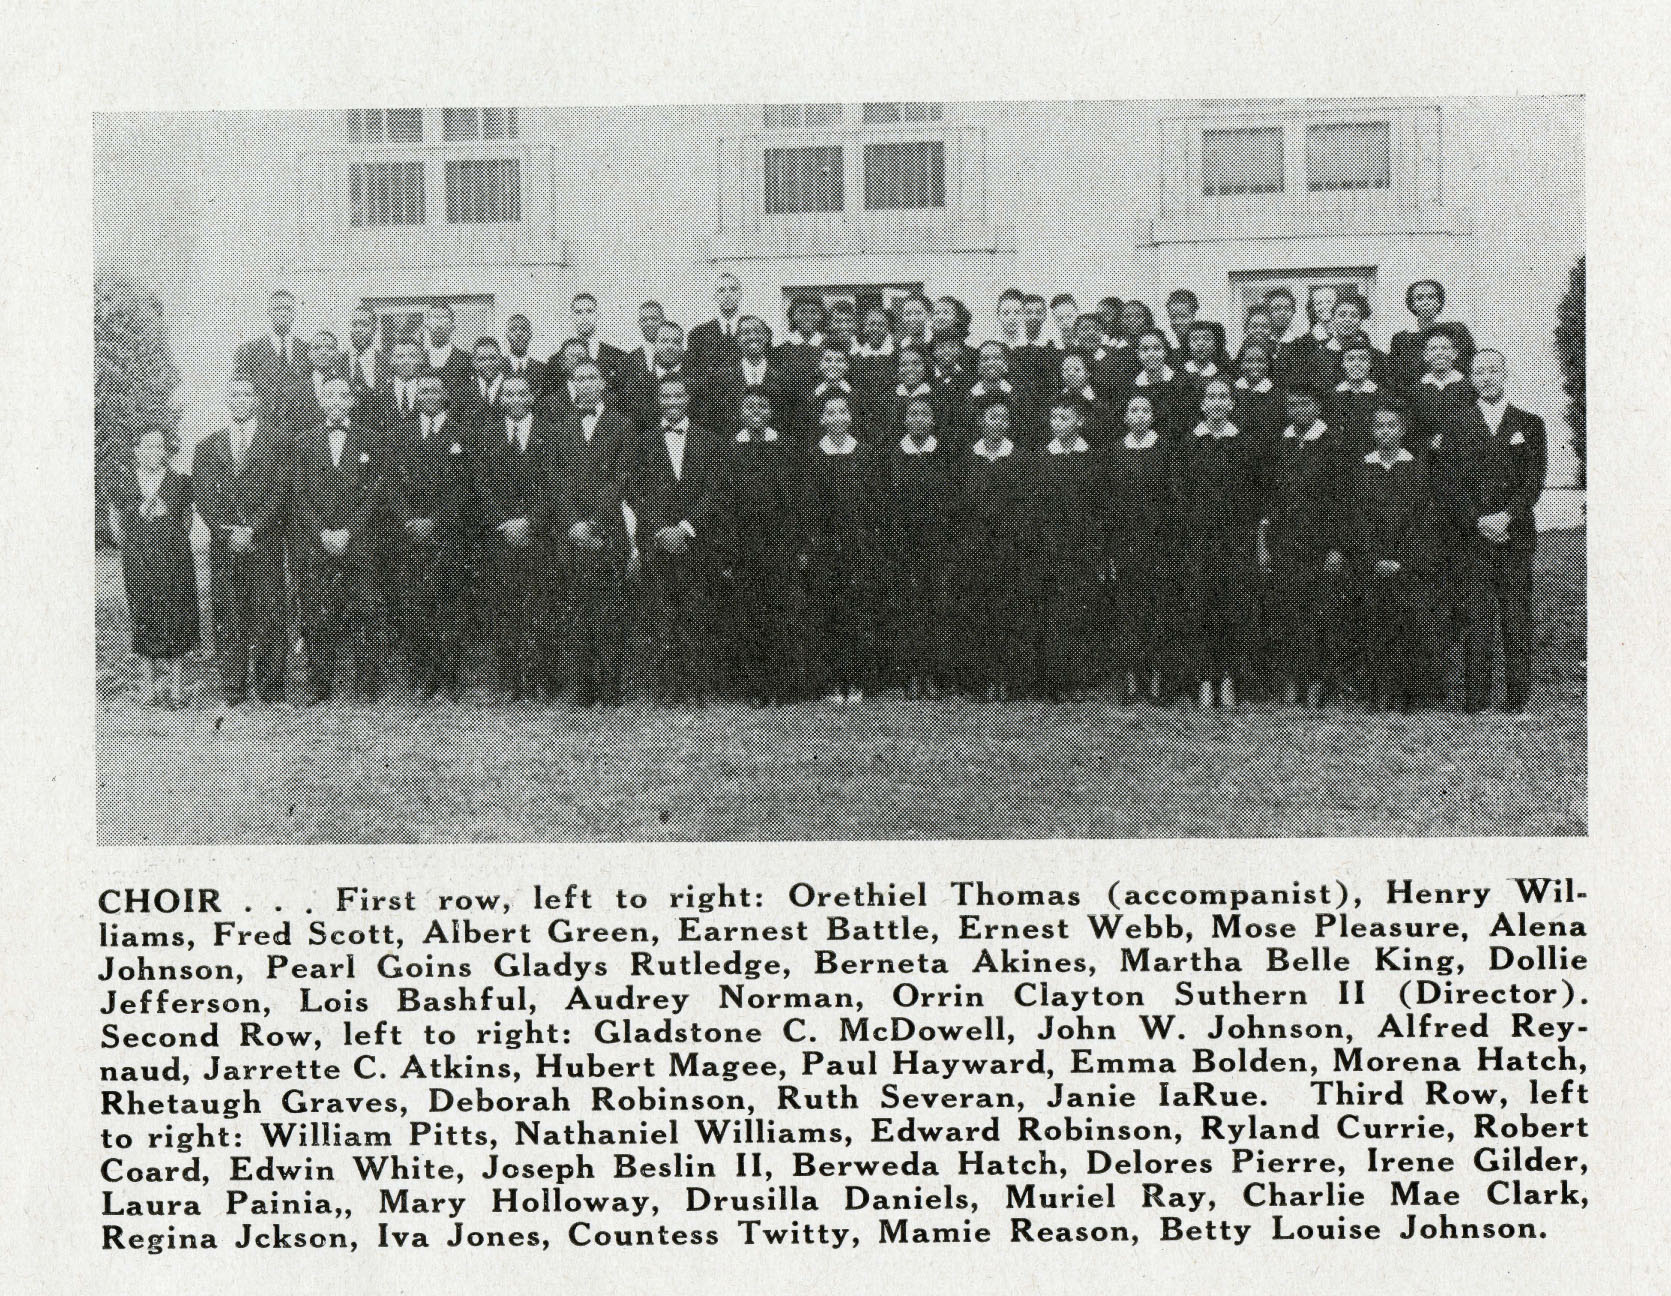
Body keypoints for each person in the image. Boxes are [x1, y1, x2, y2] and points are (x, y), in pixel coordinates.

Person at [1431, 350, 1547, 712]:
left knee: (1516, 616)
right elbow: (1448, 482)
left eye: (1492, 371)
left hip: (1514, 535)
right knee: (1476, 617)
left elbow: (1534, 478)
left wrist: (1507, 517)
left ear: (1505, 372)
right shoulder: (1457, 422)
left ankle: (1516, 700)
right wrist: (1478, 520)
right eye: (1479, 372)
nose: (1486, 378)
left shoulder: (1529, 423)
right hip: (1473, 538)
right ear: (1471, 377)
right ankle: (1476, 700)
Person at [191, 376, 292, 705]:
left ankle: (270, 687)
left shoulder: (277, 441)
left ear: (257, 400)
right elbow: (203, 498)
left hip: (264, 543)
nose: (240, 400)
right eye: (233, 395)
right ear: (227, 401)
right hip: (225, 546)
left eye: (246, 394)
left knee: (269, 611)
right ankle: (233, 687)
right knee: (229, 613)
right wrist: (227, 531)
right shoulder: (208, 446)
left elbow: (281, 493)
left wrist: (254, 529)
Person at [629, 374, 725, 705]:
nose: (673, 402)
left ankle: (696, 687)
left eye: (678, 396)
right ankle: (668, 688)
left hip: (695, 541)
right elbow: (637, 492)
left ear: (688, 399)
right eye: (666, 397)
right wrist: (660, 530)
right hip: (658, 543)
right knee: (662, 613)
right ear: (659, 401)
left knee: (695, 613)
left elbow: (714, 491)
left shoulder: (709, 441)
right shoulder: (644, 442)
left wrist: (684, 528)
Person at [292, 375, 386, 703]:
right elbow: (299, 494)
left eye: (342, 395)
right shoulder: (303, 442)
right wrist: (322, 532)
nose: (336, 400)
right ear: (321, 401)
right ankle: (319, 685)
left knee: (366, 610)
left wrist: (348, 531)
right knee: (318, 612)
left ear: (351, 401)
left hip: (357, 541)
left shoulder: (371, 440)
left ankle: (367, 683)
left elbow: (375, 492)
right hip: (318, 543)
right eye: (329, 395)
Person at [1177, 377, 1264, 708]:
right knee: (1199, 608)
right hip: (1198, 540)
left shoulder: (1244, 444)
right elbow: (1179, 494)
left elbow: (1256, 492)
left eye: (1223, 397)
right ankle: (1202, 679)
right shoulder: (1189, 444)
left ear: (1231, 403)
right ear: (1202, 405)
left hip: (1235, 540)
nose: (1216, 402)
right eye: (1210, 397)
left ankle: (1228, 677)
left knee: (1232, 609)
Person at [387, 374, 474, 701]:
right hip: (410, 535)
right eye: (422, 391)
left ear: (445, 394)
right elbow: (390, 484)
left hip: (448, 534)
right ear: (414, 394)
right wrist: (409, 519)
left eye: (435, 390)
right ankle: (423, 676)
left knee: (449, 607)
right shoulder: (401, 431)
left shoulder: (461, 432)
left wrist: (435, 521)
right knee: (415, 607)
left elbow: (465, 486)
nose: (429, 396)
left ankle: (449, 677)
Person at [1261, 385, 1347, 708]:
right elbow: (1272, 497)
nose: (1297, 410)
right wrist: (1266, 543)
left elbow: (1343, 501)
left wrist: (1337, 547)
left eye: (1305, 404)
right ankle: (1292, 680)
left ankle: (1317, 681)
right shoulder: (1282, 443)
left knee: (1318, 613)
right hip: (1286, 543)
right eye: (1292, 404)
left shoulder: (1332, 445)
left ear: (1317, 407)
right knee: (1287, 611)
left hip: (1320, 545)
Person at [553, 360, 633, 706]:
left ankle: (611, 689)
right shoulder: (559, 429)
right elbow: (556, 481)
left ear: (603, 384)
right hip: (573, 533)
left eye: (592, 379)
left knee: (610, 610)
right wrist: (573, 523)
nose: (585, 385)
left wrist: (596, 523)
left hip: (607, 531)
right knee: (579, 611)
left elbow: (622, 478)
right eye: (579, 379)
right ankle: (584, 690)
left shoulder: (621, 425)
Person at [475, 373, 558, 703]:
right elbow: (482, 487)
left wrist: (530, 522)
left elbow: (556, 484)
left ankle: (541, 679)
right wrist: (505, 523)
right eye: (508, 394)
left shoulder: (551, 434)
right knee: (506, 609)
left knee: (541, 607)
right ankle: (511, 681)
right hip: (503, 537)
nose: (514, 400)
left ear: (532, 396)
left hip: (539, 536)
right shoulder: (489, 435)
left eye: (521, 393)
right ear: (502, 399)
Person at [1352, 401, 1439, 711]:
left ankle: (1406, 694)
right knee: (1375, 624)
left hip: (1407, 563)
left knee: (1408, 625)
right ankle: (1376, 693)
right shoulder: (1365, 468)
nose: (1385, 432)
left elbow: (1421, 520)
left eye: (1391, 426)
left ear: (1402, 431)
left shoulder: (1415, 467)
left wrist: (1401, 560)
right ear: (1372, 431)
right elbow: (1359, 518)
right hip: (1373, 564)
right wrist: (1374, 558)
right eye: (1379, 427)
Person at [107, 426, 199, 706]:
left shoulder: (179, 482)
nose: (153, 452)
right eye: (147, 446)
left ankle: (176, 686)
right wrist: (131, 543)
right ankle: (148, 686)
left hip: (173, 560)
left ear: (165, 451)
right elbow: (116, 524)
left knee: (175, 614)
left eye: (159, 446)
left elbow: (186, 522)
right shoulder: (124, 483)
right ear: (136, 450)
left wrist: (170, 535)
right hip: (138, 560)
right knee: (144, 613)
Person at [721, 389, 801, 706]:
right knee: (749, 614)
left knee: (780, 612)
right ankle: (755, 686)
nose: (756, 412)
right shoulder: (730, 449)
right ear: (741, 412)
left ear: (770, 411)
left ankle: (781, 684)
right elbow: (723, 503)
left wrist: (797, 545)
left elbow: (797, 500)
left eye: (762, 407)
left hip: (779, 545)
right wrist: (727, 551)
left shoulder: (785, 447)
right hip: (744, 546)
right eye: (750, 407)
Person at [802, 391, 881, 703]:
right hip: (825, 548)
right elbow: (807, 506)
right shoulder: (812, 456)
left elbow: (877, 504)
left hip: (858, 547)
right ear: (822, 420)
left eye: (842, 412)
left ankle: (857, 680)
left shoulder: (865, 454)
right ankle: (832, 682)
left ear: (850, 417)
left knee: (857, 613)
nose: (836, 418)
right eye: (830, 413)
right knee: (828, 613)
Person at [955, 397, 1032, 700]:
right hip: (975, 546)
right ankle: (980, 679)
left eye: (1002, 418)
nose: (996, 423)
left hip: (1008, 546)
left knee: (1008, 610)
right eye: (991, 417)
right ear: (981, 422)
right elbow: (959, 502)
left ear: (1009, 424)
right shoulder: (968, 458)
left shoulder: (1020, 458)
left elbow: (1026, 502)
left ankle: (1007, 679)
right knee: (978, 610)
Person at [1104, 393, 1176, 703]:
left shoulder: (1165, 451)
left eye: (1145, 409)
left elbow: (1174, 500)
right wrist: (1108, 550)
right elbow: (1107, 504)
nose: (1140, 415)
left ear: (1153, 415)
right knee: (1127, 612)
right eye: (1133, 409)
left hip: (1158, 544)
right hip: (1124, 544)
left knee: (1158, 611)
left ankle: (1158, 678)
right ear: (1125, 417)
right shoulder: (1116, 452)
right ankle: (1131, 678)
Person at [1031, 397, 1104, 701]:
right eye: (1055, 418)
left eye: (1066, 418)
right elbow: (1036, 505)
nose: (1060, 424)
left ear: (1079, 422)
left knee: (1080, 610)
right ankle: (1053, 679)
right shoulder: (1043, 458)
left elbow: (1099, 506)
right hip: (1052, 545)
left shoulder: (1092, 458)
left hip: (1082, 546)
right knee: (1053, 610)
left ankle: (1079, 678)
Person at [887, 394, 956, 698]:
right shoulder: (893, 455)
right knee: (907, 606)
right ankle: (909, 675)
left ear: (932, 420)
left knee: (934, 606)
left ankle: (933, 673)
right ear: (905, 420)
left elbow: (952, 501)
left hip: (936, 543)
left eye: (924, 415)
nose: (918, 420)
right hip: (903, 543)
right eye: (912, 415)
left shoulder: (943, 454)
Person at [695, 315, 790, 441]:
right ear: (738, 339)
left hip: (775, 449)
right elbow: (713, 416)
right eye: (746, 332)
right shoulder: (720, 376)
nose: (752, 336)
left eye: (757, 331)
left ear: (767, 337)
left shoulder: (784, 374)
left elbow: (789, 415)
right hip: (731, 449)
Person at [234, 288, 311, 430]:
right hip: (262, 433)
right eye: (277, 308)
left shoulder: (307, 350)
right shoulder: (248, 351)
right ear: (269, 312)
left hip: (299, 432)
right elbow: (239, 394)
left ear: (294, 313)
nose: (282, 313)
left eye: (287, 308)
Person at [1389, 279, 1476, 391]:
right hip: (1416, 399)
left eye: (1431, 297)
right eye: (1419, 298)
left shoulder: (1457, 331)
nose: (1426, 302)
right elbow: (1396, 376)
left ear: (1439, 302)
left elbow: (1471, 366)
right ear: (1412, 304)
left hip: (1454, 395)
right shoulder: (1402, 339)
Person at [1406, 330, 1476, 458]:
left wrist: (1449, 441)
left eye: (1445, 348)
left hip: (1462, 455)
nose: (1439, 353)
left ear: (1454, 354)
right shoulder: (1416, 390)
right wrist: (1428, 443)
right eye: (1433, 349)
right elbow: (1412, 428)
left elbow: (1473, 424)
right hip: (1426, 458)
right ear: (1425, 355)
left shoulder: (1469, 387)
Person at [620, 321, 689, 433]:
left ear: (682, 346)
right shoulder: (638, 385)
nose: (669, 347)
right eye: (664, 341)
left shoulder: (695, 383)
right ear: (655, 344)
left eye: (676, 342)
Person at [965, 341, 1038, 447]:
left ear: (1005, 364)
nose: (991, 363)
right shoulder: (967, 397)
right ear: (978, 366)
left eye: (997, 358)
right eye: (985, 359)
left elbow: (1026, 432)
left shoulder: (1020, 395)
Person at [1328, 339, 1385, 460]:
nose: (1356, 364)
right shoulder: (1332, 397)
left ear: (1370, 364)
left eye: (1363, 359)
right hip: (1339, 459)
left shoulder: (1381, 395)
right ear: (1343, 363)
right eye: (1350, 359)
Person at [687, 271, 745, 376]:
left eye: (733, 289)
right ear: (715, 296)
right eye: (721, 291)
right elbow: (693, 374)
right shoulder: (698, 334)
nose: (728, 295)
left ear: (740, 294)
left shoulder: (752, 331)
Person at [1130, 329, 1186, 439]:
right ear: (1138, 354)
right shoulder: (1132, 388)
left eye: (1156, 348)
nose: (1151, 354)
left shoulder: (1181, 383)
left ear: (1165, 351)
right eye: (1145, 349)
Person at [560, 292, 626, 384]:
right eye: (579, 312)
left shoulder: (617, 356)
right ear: (572, 317)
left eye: (589, 311)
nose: (584, 317)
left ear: (597, 315)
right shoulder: (559, 359)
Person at [421, 303, 474, 404]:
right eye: (434, 317)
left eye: (444, 317)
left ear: (452, 327)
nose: (439, 324)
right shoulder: (419, 359)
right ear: (426, 326)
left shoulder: (466, 359)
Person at [456, 336, 507, 430]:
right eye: (482, 359)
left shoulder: (512, 389)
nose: (488, 363)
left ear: (501, 359)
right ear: (474, 362)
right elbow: (455, 426)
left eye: (492, 358)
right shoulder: (463, 392)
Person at [346, 305, 382, 403]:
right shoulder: (339, 361)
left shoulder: (385, 362)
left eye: (364, 324)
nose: (358, 330)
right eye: (355, 324)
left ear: (374, 329)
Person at [503, 313, 546, 393]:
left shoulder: (542, 369)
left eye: (524, 329)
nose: (519, 334)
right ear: (507, 335)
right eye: (513, 329)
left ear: (530, 334)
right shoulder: (498, 366)